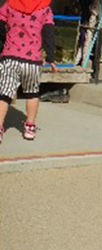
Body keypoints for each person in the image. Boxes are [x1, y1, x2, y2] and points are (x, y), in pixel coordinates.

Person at [0, 0, 57, 143]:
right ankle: (30, 127)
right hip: (32, 60)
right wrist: (51, 58)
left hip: (10, 57)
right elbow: (49, 33)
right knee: (32, 93)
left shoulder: (9, 4)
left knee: (4, 94)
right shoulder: (45, 8)